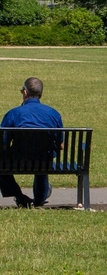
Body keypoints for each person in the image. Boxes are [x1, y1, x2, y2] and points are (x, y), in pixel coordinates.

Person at [0, 77, 63, 208]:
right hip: (44, 161)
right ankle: (40, 199)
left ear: (25, 93)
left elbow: (3, 142)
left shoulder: (14, 113)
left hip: (18, 160)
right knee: (42, 158)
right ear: (41, 94)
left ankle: (19, 196)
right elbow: (61, 145)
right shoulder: (53, 114)